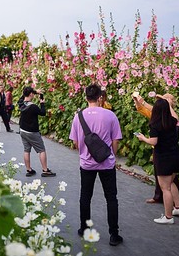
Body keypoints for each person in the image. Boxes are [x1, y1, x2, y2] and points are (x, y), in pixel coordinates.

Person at [69, 83, 123, 246]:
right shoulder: (110, 115)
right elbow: (115, 142)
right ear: (100, 97)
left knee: (85, 196)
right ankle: (114, 234)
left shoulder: (78, 117)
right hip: (107, 163)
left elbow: (76, 144)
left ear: (86, 97)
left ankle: (84, 229)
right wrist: (111, 156)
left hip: (86, 164)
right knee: (111, 198)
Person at [136, 98, 179, 224]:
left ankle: (168, 217)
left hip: (163, 157)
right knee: (172, 181)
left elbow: (153, 142)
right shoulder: (173, 121)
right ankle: (177, 207)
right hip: (175, 155)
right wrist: (168, 104)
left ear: (155, 110)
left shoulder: (155, 124)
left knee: (165, 188)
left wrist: (143, 138)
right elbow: (174, 114)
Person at [18, 86, 56, 177]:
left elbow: (22, 97)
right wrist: (42, 103)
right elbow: (43, 113)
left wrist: (34, 91)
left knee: (26, 150)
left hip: (23, 130)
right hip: (32, 132)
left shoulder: (21, 103)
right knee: (41, 150)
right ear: (31, 94)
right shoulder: (33, 106)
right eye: (33, 93)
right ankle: (45, 170)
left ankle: (29, 169)